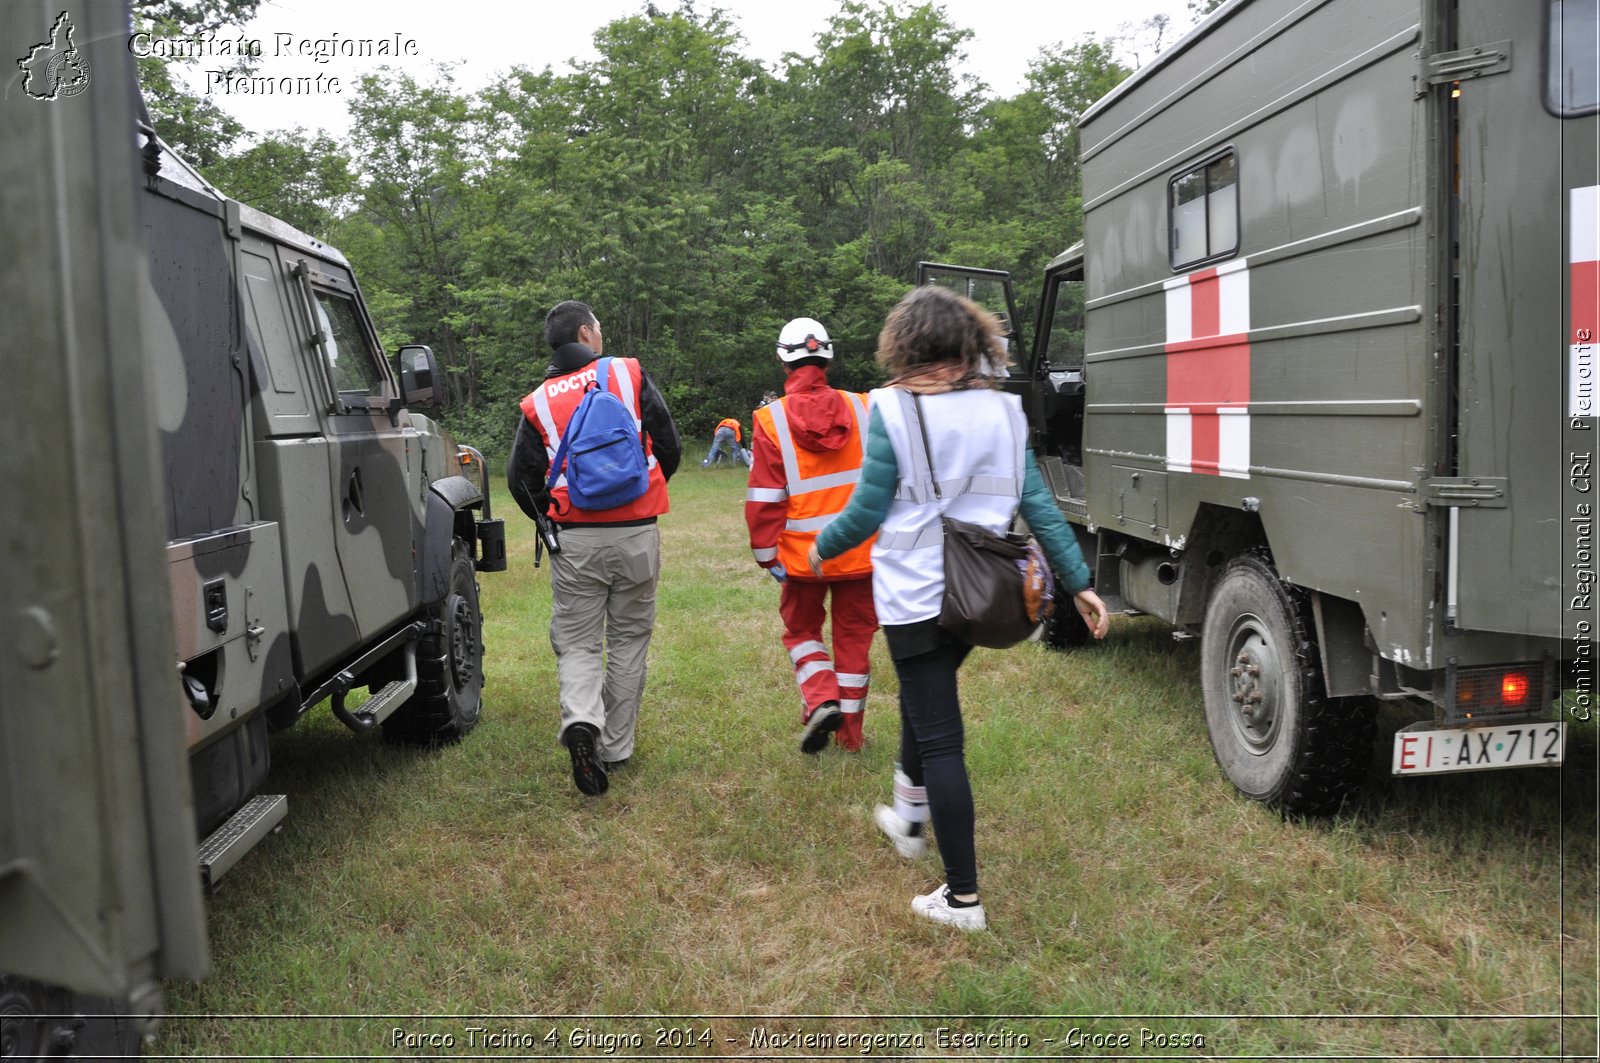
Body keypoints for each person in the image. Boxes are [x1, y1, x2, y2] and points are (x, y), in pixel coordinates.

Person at [808, 286, 1110, 931]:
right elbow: (1039, 504)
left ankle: (962, 898)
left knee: (941, 737)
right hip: (985, 596)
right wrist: (1079, 580)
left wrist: (820, 550)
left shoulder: (889, 409)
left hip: (915, 597)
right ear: (969, 345)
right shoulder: (1005, 413)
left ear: (906, 346)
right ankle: (907, 818)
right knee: (930, 701)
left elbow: (865, 510)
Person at [508, 300, 682, 797]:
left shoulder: (537, 402)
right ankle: (616, 748)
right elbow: (668, 446)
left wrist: (551, 522)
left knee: (579, 642)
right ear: (587, 333)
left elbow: (521, 481)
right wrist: (641, 497)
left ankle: (582, 722)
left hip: (576, 540)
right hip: (637, 533)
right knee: (629, 640)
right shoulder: (627, 374)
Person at [746, 317, 878, 753]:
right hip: (861, 554)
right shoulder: (864, 407)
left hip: (802, 561)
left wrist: (767, 557)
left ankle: (821, 697)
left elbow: (765, 499)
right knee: (855, 639)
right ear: (827, 355)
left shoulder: (771, 420)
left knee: (801, 631)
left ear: (784, 361)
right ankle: (850, 737)